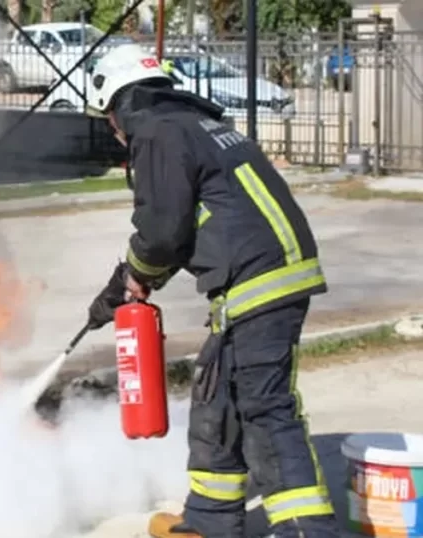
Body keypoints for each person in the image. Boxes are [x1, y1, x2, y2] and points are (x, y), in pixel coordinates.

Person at [83, 44, 340, 538]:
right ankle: (210, 520)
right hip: (256, 281)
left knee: (264, 408)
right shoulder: (196, 124)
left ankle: (307, 529)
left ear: (118, 103)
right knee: (216, 400)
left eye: (108, 118)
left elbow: (163, 234)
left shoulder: (156, 131)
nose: (113, 131)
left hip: (259, 281)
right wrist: (137, 275)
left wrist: (133, 277)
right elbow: (180, 225)